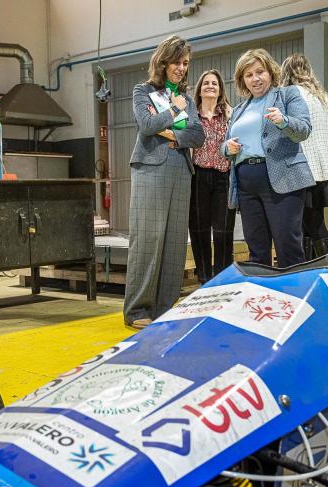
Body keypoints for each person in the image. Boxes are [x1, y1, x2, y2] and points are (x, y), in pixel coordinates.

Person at [124, 35, 205, 329]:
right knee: (148, 239)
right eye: (177, 62)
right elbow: (146, 125)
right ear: (163, 61)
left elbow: (198, 135)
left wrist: (171, 134)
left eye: (185, 63)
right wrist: (173, 110)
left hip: (181, 169)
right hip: (150, 168)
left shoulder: (188, 99)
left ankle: (164, 307)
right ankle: (137, 309)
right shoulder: (143, 91)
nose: (181, 68)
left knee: (173, 241)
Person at [222, 48, 313, 267]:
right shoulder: (239, 109)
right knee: (256, 249)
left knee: (287, 245)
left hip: (282, 179)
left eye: (260, 72)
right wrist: (227, 148)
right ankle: (261, 289)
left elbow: (304, 130)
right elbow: (224, 145)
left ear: (270, 72)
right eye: (249, 75)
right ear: (242, 80)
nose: (255, 78)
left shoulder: (287, 94)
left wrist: (283, 121)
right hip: (246, 186)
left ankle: (293, 287)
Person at [279, 53, 328, 258]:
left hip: (305, 166)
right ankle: (312, 265)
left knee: (312, 223)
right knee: (309, 224)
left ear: (285, 72)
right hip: (326, 168)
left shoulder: (290, 93)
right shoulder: (323, 97)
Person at [189, 69, 235, 283]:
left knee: (223, 230)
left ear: (220, 90)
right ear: (200, 89)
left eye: (214, 83)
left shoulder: (230, 114)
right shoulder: (191, 115)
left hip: (223, 176)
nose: (210, 86)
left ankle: (223, 278)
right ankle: (204, 277)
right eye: (206, 83)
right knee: (199, 229)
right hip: (198, 175)